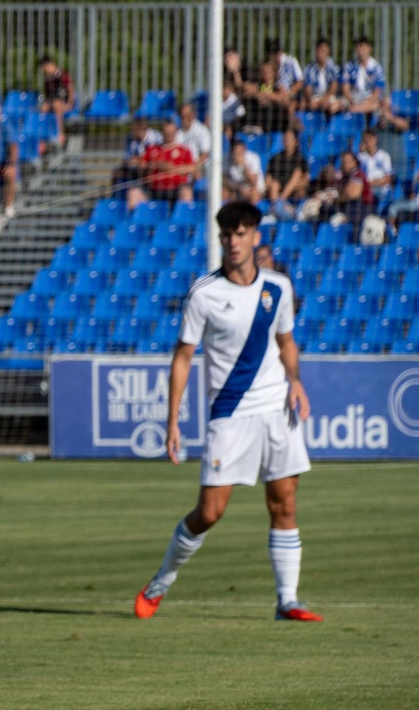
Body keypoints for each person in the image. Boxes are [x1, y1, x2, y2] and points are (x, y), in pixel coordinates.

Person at [134, 201, 318, 624]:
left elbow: (287, 341)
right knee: (210, 512)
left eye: (241, 234)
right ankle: (161, 581)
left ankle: (287, 601)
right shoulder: (204, 293)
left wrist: (295, 379)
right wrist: (172, 420)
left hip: (276, 408)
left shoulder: (278, 288)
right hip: (229, 413)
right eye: (226, 235)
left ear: (256, 236)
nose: (233, 242)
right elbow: (182, 358)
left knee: (284, 504)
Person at [340, 36, 406, 130]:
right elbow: (345, 90)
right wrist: (353, 102)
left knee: (385, 103)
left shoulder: (376, 67)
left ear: (369, 48)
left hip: (369, 100)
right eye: (358, 47)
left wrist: (363, 105)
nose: (360, 50)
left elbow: (376, 92)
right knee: (336, 105)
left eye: (363, 47)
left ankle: (382, 126)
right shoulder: (348, 66)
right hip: (352, 99)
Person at [129, 118, 196, 208]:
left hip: (176, 189)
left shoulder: (184, 150)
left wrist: (172, 168)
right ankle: (136, 220)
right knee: (134, 193)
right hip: (154, 189)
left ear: (176, 132)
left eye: (171, 132)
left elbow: (192, 168)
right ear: (162, 132)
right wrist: (150, 166)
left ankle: (183, 219)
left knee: (186, 192)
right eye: (166, 132)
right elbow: (141, 166)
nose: (169, 135)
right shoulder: (152, 149)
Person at [264, 128, 309, 208]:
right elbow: (268, 178)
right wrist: (275, 184)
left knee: (297, 173)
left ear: (296, 142)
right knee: (274, 185)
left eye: (290, 139)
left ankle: (281, 202)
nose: (287, 142)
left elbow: (306, 181)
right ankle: (277, 207)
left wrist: (291, 186)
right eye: (286, 139)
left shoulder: (301, 159)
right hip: (278, 188)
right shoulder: (275, 158)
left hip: (294, 189)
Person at [301, 38, 345, 115]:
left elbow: (332, 90)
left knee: (331, 105)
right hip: (315, 98)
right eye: (318, 50)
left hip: (329, 97)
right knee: (302, 104)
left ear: (328, 51)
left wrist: (319, 102)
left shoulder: (334, 68)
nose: (320, 52)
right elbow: (308, 90)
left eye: (323, 50)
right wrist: (311, 100)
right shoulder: (309, 68)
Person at [36, 55, 74, 145]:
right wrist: (42, 101)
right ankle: (43, 136)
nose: (44, 70)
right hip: (51, 101)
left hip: (63, 102)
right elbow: (46, 95)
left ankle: (60, 133)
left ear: (50, 64)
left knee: (56, 104)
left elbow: (70, 89)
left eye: (45, 67)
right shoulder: (47, 78)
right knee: (43, 108)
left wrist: (69, 103)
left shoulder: (62, 75)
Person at [224, 137, 265, 203]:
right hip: (237, 187)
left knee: (253, 193)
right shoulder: (226, 159)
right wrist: (239, 188)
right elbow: (223, 179)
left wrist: (244, 166)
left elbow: (253, 181)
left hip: (254, 187)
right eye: (234, 153)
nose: (236, 156)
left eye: (239, 153)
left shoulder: (253, 158)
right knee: (224, 192)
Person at [356, 128, 394, 195]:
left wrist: (373, 183)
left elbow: (388, 179)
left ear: (376, 139)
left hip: (382, 190)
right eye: (366, 140)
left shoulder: (384, 156)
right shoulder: (360, 157)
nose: (368, 143)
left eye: (371, 140)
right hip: (366, 191)